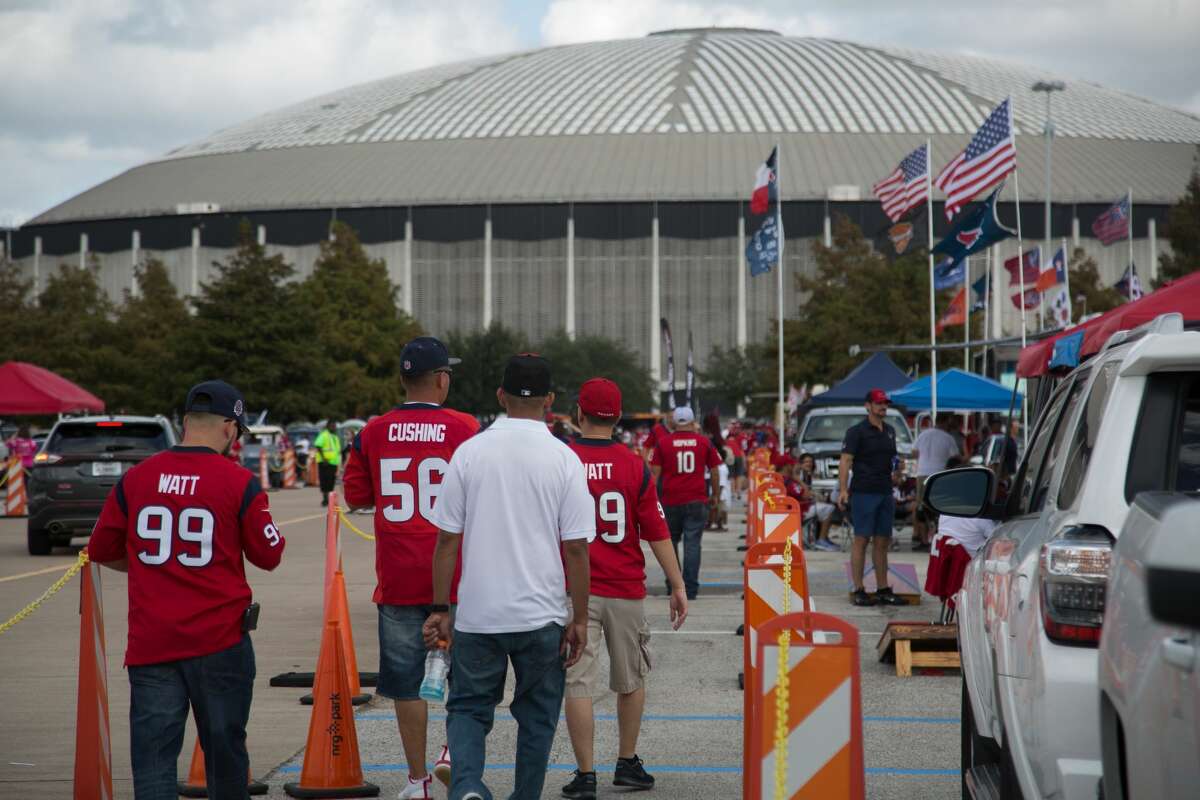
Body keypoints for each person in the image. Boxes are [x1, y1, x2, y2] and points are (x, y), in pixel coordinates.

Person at [87, 380, 286, 799]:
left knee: (154, 761)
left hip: (152, 642)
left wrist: (152, 566)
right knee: (225, 756)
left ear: (184, 422)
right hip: (219, 641)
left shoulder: (138, 479)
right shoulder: (237, 481)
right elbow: (269, 555)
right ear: (231, 428)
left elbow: (103, 548)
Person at [423, 353, 594, 800]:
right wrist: (579, 617)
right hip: (541, 616)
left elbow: (446, 542)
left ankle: (466, 786)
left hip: (479, 614)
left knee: (467, 709)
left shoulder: (469, 453)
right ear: (550, 400)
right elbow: (576, 548)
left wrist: (441, 608)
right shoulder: (564, 458)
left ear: (500, 395)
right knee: (537, 717)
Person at [342, 336, 479, 799]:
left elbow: (357, 496)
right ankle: (450, 754)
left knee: (406, 685)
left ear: (402, 379)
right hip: (456, 576)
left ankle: (418, 779)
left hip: (398, 577)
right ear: (442, 379)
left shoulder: (374, 431)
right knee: (462, 680)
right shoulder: (464, 427)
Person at [561, 378, 688, 800]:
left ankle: (585, 773)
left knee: (578, 680)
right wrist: (677, 582)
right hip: (624, 586)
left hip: (573, 588)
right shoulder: (633, 464)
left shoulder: (562, 459)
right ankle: (627, 760)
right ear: (617, 417)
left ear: (580, 413)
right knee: (630, 677)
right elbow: (656, 530)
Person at [837, 389, 906, 606]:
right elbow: (846, 461)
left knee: (883, 541)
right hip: (864, 491)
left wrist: (898, 471)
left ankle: (883, 588)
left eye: (885, 403)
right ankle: (859, 589)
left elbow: (892, 458)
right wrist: (843, 490)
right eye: (878, 403)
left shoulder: (890, 431)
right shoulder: (856, 432)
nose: (883, 407)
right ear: (868, 406)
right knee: (861, 539)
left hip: (885, 490)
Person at [649, 407, 720, 600]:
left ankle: (673, 585)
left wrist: (653, 500)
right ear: (692, 421)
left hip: (670, 500)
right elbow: (714, 471)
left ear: (674, 422)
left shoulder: (663, 443)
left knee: (669, 544)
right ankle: (690, 588)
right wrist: (715, 495)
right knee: (692, 544)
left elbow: (654, 475)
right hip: (696, 498)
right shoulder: (704, 442)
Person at [912, 413, 962, 550]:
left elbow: (914, 452)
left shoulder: (923, 434)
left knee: (921, 508)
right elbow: (956, 458)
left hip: (922, 473)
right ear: (946, 422)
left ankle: (923, 540)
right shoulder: (948, 438)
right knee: (939, 508)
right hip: (940, 475)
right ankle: (938, 537)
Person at [796, 454, 836, 551]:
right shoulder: (799, 475)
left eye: (810, 462)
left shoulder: (809, 475)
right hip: (801, 508)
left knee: (826, 506)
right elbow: (805, 493)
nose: (809, 464)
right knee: (830, 508)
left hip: (806, 504)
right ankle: (821, 540)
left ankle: (823, 538)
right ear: (800, 464)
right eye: (806, 462)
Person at [312, 419, 341, 506]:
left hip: (333, 463)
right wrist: (324, 458)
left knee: (331, 482)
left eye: (335, 426)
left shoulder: (335, 437)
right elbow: (318, 445)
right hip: (325, 463)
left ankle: (330, 499)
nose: (334, 427)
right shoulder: (324, 435)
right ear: (328, 426)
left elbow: (337, 451)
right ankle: (325, 499)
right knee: (325, 481)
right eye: (332, 426)